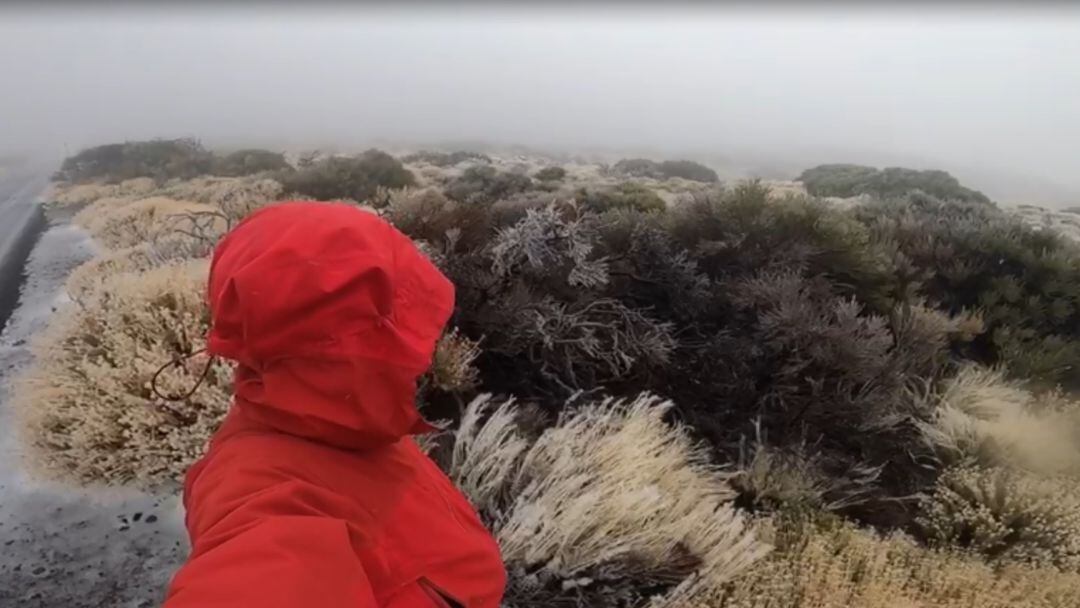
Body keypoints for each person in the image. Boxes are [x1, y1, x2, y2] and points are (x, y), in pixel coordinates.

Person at [163, 202, 506, 607]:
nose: (428, 353)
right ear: (339, 352)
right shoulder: (263, 494)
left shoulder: (341, 420)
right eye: (401, 331)